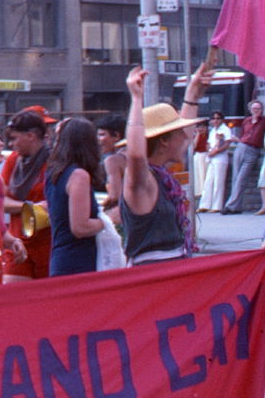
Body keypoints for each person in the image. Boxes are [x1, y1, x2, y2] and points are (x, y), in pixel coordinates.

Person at [122, 66, 210, 264]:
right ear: (164, 141)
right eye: (178, 133)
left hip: (172, 271)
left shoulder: (161, 174)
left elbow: (185, 134)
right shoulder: (143, 179)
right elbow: (136, 154)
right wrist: (136, 100)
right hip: (152, 276)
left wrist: (192, 93)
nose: (188, 137)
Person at [0, 107, 57, 283]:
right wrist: (30, 208)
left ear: (31, 136)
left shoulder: (55, 161)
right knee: (13, 300)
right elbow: (0, 201)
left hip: (48, 245)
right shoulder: (13, 160)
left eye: (14, 138)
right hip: (18, 242)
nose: (10, 144)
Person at [44, 117, 105, 277]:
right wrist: (109, 219)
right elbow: (80, 227)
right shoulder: (79, 175)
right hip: (79, 262)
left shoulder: (54, 173)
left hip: (61, 258)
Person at [224, 99, 264, 214]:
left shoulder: (263, 121)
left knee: (241, 178)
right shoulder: (246, 121)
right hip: (241, 147)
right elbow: (243, 135)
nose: (256, 110)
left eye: (258, 108)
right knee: (236, 177)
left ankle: (230, 206)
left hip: (253, 150)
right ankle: (236, 207)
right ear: (250, 110)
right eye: (254, 108)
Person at [96, 113, 127, 225]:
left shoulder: (113, 160)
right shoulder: (137, 155)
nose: (98, 140)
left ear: (117, 136)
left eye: (102, 135)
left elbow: (115, 196)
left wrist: (99, 205)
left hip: (124, 217)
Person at [199, 111, 233, 213]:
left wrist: (216, 152)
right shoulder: (213, 130)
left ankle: (216, 206)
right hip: (211, 158)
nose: (215, 120)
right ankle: (205, 205)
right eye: (213, 119)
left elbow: (226, 144)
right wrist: (209, 150)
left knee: (218, 182)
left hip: (220, 158)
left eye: (218, 118)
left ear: (222, 119)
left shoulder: (225, 129)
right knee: (208, 181)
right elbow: (209, 143)